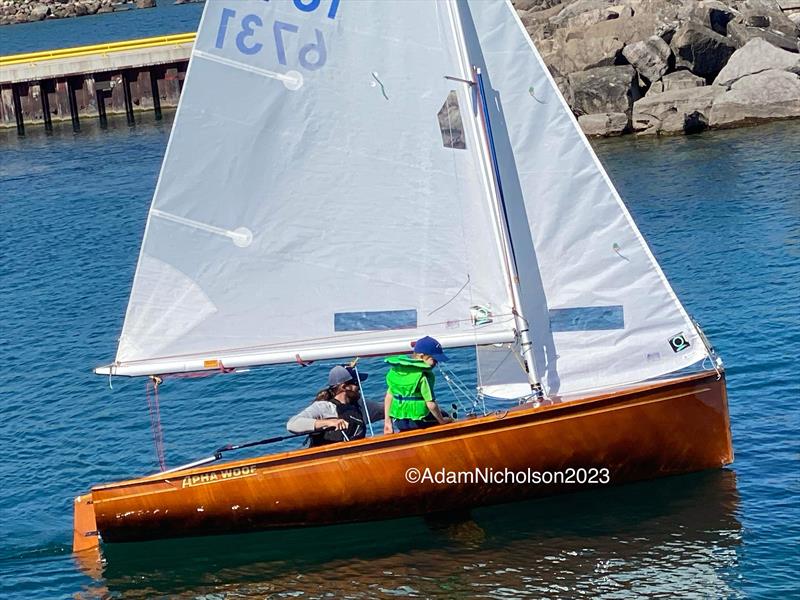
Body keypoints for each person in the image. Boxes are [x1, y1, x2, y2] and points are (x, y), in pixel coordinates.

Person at [287, 365, 384, 446]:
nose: (359, 387)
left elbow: (387, 409)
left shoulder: (361, 406)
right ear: (344, 387)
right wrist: (329, 423)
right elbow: (292, 424)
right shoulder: (323, 407)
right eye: (356, 383)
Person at [383, 336, 453, 433]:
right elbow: (431, 404)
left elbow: (389, 396)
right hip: (420, 420)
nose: (436, 364)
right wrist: (442, 421)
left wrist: (387, 421)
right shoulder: (423, 376)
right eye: (434, 360)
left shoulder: (397, 371)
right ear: (421, 356)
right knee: (445, 416)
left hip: (400, 422)